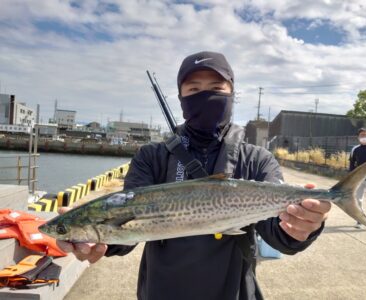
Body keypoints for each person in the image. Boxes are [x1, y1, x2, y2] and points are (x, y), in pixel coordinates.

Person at [57, 51, 331, 300]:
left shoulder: (257, 160)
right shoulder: (151, 157)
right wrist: (97, 240)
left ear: (232, 93)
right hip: (162, 291)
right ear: (181, 97)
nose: (205, 95)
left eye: (216, 88)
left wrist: (303, 226)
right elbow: (128, 231)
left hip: (234, 292)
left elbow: (278, 235)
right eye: (194, 88)